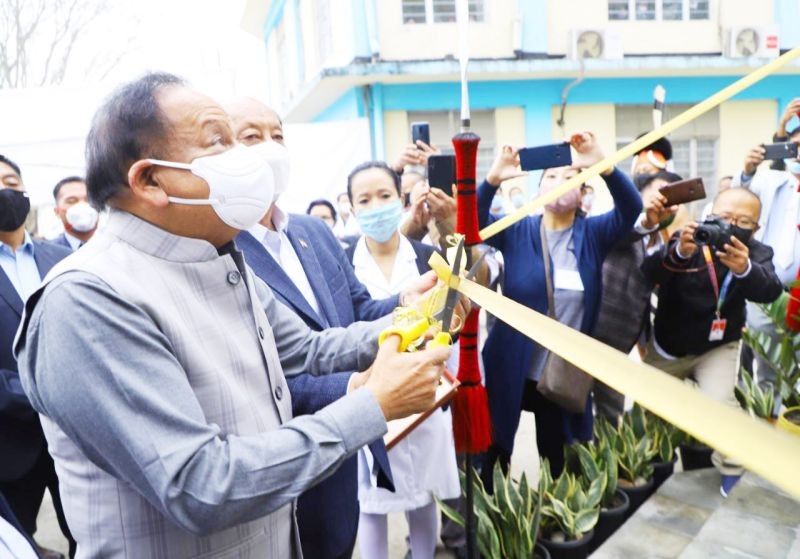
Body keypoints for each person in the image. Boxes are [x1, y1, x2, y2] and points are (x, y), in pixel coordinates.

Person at [14, 73, 451, 558]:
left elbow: (306, 348)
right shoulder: (88, 301)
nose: (250, 160)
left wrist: (419, 316)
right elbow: (200, 483)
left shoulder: (215, 259)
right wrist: (372, 405)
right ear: (150, 180)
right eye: (219, 142)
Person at [226, 96, 435, 559]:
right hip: (284, 459)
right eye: (251, 137)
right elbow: (260, 372)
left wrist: (406, 303)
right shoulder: (221, 250)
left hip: (346, 457)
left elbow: (356, 310)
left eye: (277, 136)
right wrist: (360, 388)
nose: (270, 148)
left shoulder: (312, 232)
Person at [477, 132, 642, 480]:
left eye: (571, 177)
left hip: (561, 373)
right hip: (510, 365)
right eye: (551, 176)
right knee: (495, 454)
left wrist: (603, 164)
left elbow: (632, 209)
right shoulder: (515, 230)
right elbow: (473, 224)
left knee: (558, 462)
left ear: (583, 194)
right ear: (538, 190)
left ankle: (554, 527)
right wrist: (493, 178)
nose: (559, 182)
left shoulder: (594, 235)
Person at [343, 161, 460, 559]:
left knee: (424, 495)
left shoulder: (427, 256)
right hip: (370, 394)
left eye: (384, 195)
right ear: (352, 209)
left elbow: (455, 309)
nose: (375, 205)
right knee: (372, 501)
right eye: (364, 199)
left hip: (424, 392)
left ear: (402, 200)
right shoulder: (342, 263)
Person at [641, 188, 783, 496]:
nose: (731, 225)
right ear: (709, 214)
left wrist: (744, 269)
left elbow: (770, 289)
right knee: (649, 410)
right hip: (669, 347)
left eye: (743, 221)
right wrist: (679, 252)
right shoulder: (689, 237)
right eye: (725, 217)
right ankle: (647, 470)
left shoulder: (756, 253)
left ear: (755, 228)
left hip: (717, 348)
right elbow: (648, 273)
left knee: (722, 407)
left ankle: (732, 471)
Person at [0, 155, 75, 559]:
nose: (4, 192)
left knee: (93, 536)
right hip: (10, 444)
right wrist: (42, 393)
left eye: (11, 181)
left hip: (79, 435)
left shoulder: (62, 261)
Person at [592, 171, 680, 421]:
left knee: (611, 415)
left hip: (623, 341)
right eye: (661, 190)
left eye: (674, 197)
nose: (666, 200)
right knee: (574, 411)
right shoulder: (618, 224)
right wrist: (647, 221)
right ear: (638, 194)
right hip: (592, 332)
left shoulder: (665, 242)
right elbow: (625, 235)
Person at [734, 129, 800, 384]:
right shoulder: (771, 180)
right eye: (794, 146)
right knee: (767, 364)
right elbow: (741, 198)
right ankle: (767, 418)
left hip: (798, 291)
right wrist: (749, 169)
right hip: (766, 288)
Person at [51, 177, 98, 250]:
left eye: (89, 200)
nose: (83, 206)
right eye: (72, 201)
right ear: (57, 212)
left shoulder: (116, 249)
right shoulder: (47, 252)